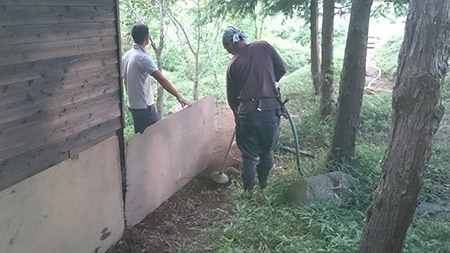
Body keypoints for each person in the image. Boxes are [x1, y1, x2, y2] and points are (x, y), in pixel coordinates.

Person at [222, 26, 286, 191]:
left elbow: (232, 98)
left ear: (232, 42)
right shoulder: (263, 46)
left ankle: (248, 193)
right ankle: (263, 185)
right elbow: (282, 68)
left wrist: (238, 115)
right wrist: (269, 81)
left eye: (226, 47)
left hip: (247, 113)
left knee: (249, 156)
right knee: (266, 152)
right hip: (269, 109)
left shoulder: (233, 65)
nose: (228, 51)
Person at [123, 24, 192, 134]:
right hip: (145, 108)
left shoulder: (127, 55)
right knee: (154, 137)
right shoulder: (143, 58)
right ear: (147, 38)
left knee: (142, 137)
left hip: (133, 105)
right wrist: (179, 96)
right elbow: (162, 79)